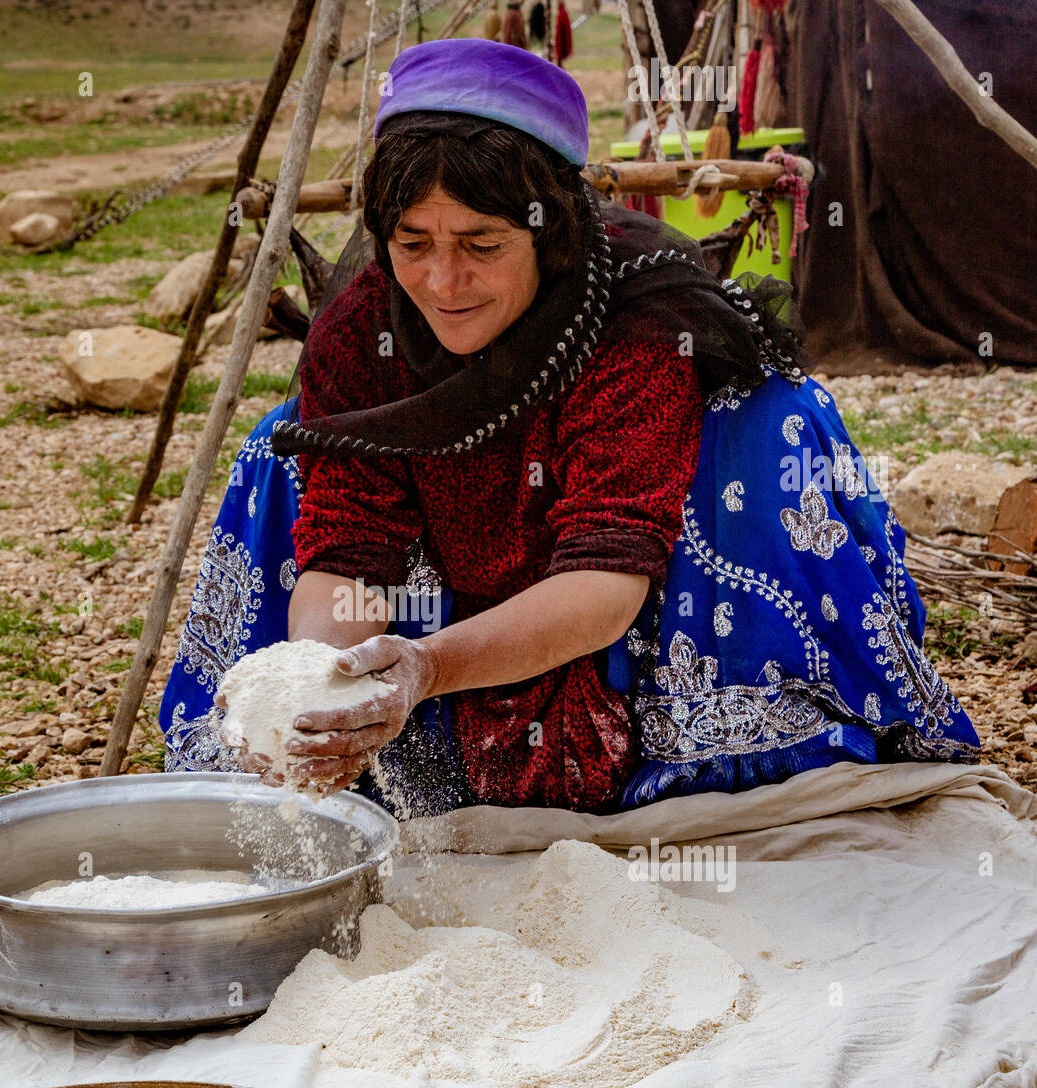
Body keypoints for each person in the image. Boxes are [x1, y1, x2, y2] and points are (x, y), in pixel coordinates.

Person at [160, 38, 977, 816]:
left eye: (482, 243)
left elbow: (607, 570)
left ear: (547, 229)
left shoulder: (635, 317)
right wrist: (328, 678)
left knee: (770, 425)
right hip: (448, 570)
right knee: (283, 443)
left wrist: (428, 666)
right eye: (413, 243)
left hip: (643, 592)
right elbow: (349, 544)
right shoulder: (364, 325)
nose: (443, 281)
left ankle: (722, 734)